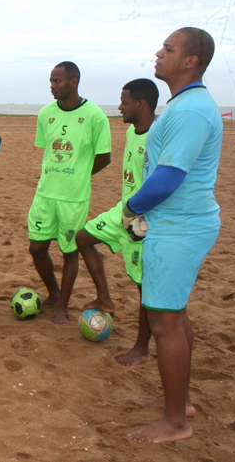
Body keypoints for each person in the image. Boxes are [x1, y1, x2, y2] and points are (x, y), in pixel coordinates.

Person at [126, 27, 222, 444]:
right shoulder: (186, 104)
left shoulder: (188, 111)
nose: (158, 53)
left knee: (163, 320)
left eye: (169, 49)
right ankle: (179, 402)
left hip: (180, 225)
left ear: (191, 61)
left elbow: (167, 178)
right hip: (180, 223)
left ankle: (175, 423)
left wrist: (131, 209)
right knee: (175, 314)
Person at [75, 79, 158, 366]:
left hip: (142, 222)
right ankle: (105, 299)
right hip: (122, 212)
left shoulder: (156, 138)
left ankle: (141, 348)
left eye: (124, 102)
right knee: (83, 238)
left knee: (143, 287)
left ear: (141, 104)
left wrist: (141, 216)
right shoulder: (134, 131)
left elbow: (162, 184)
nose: (120, 106)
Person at [28, 61, 112, 324]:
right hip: (45, 194)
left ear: (73, 81)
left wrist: (79, 174)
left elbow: (104, 157)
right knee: (36, 248)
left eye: (57, 81)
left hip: (73, 198)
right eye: (51, 81)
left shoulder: (95, 115)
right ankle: (53, 292)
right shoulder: (46, 113)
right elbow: (48, 150)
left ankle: (62, 307)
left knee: (69, 252)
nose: (52, 86)